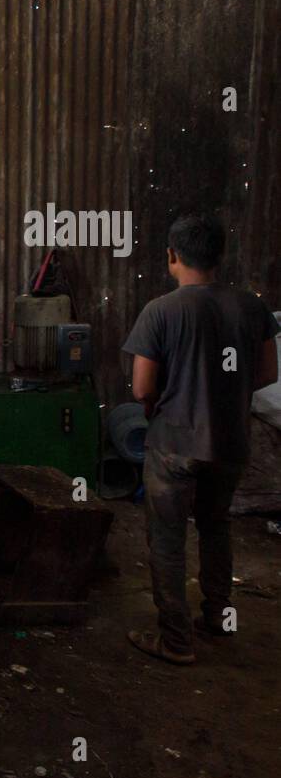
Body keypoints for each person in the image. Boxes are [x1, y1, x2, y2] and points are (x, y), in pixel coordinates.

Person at [121, 213, 279, 665]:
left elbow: (142, 389)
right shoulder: (252, 307)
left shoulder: (161, 311)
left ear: (172, 256)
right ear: (219, 256)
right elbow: (267, 373)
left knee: (167, 539)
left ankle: (175, 641)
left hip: (175, 443)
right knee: (216, 526)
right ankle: (217, 618)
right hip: (230, 443)